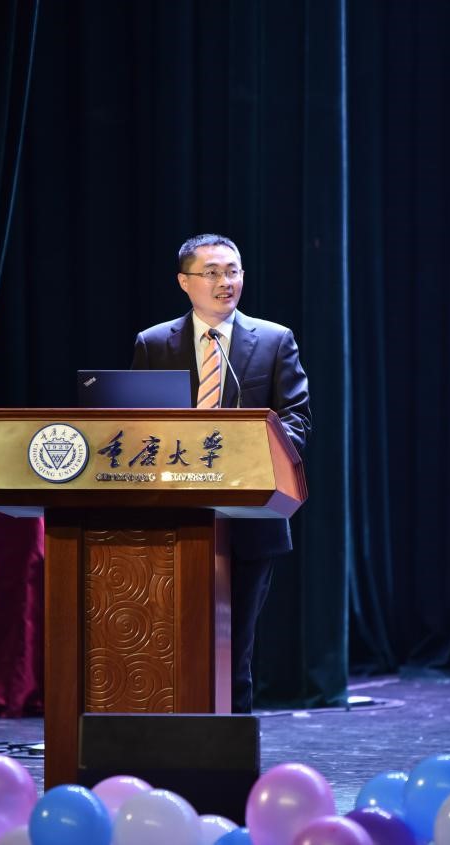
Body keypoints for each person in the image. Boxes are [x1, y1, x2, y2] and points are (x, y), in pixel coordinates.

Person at [131, 233, 311, 713]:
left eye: (232, 271)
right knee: (169, 643)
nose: (225, 282)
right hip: (173, 517)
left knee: (235, 649)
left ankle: (230, 743)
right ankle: (170, 736)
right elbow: (134, 428)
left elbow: (297, 420)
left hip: (250, 517)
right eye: (211, 272)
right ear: (184, 282)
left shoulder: (274, 340)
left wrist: (249, 458)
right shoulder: (153, 344)